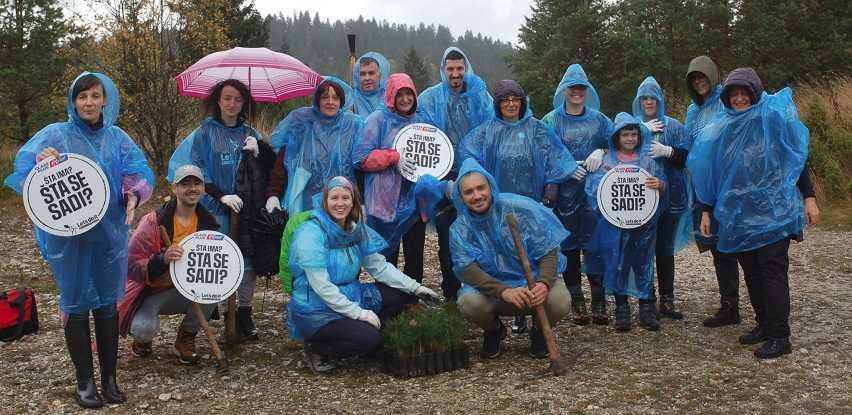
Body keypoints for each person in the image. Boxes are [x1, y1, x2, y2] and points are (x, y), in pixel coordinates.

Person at [4, 72, 154, 408]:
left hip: (108, 236)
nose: (88, 102)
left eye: (95, 95)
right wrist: (41, 164)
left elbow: (139, 172)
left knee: (105, 303)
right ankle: (84, 381)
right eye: (82, 96)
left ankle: (110, 378)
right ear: (73, 102)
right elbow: (24, 167)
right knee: (75, 302)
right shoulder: (55, 134)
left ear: (105, 99)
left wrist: (134, 194)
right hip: (68, 238)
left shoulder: (117, 138)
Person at [683, 57, 821, 328]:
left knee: (772, 271)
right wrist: (707, 210)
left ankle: (779, 334)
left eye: (744, 93)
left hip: (774, 212)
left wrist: (809, 198)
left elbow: (795, 161)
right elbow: (711, 172)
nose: (739, 99)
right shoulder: (725, 128)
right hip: (739, 216)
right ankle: (763, 325)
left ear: (754, 92)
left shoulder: (771, 119)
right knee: (752, 272)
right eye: (733, 94)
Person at [287, 177, 439, 372]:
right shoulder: (311, 233)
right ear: (325, 201)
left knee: (402, 295)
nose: (340, 203)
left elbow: (379, 268)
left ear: (353, 201)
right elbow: (322, 286)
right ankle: (318, 348)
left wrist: (416, 287)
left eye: (345, 197)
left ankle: (363, 337)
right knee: (370, 339)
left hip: (350, 293)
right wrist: (359, 313)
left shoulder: (354, 229)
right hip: (316, 307)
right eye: (334, 198)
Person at [167, 79, 264, 342]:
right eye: (227, 98)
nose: (232, 104)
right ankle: (223, 313)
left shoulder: (250, 133)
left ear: (244, 103)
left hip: (246, 208)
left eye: (238, 99)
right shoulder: (205, 133)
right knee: (220, 260)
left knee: (247, 261)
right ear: (218, 101)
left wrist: (260, 152)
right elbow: (198, 170)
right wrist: (222, 195)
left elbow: (267, 170)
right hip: (215, 208)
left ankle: (244, 312)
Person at [450, 159, 572, 359]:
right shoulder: (460, 228)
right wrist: (503, 291)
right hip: (496, 291)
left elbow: (548, 250)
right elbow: (467, 269)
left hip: (532, 285)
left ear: (490, 187)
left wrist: (543, 282)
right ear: (460, 198)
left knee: (560, 301)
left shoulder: (520, 209)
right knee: (468, 303)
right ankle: (494, 330)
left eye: (481, 188)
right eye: (469, 192)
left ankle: (540, 331)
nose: (477, 195)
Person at [117, 165, 217, 365]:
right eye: (185, 184)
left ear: (203, 188)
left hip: (188, 290)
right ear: (174, 188)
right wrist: (161, 260)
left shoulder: (209, 224)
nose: (192, 188)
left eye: (197, 183)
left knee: (212, 292)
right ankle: (142, 340)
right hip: (154, 291)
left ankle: (186, 338)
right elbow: (131, 265)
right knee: (143, 328)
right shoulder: (153, 222)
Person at [418, 46, 494, 301]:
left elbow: (491, 131)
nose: (455, 73)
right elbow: (421, 137)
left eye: (459, 68)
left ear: (466, 68)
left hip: (474, 178)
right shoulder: (430, 98)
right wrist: (443, 183)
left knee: (480, 239)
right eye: (450, 69)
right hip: (443, 183)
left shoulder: (480, 96)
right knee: (448, 241)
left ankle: (482, 294)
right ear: (443, 70)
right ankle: (452, 297)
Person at [542, 63, 613, 326]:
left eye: (581, 88)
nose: (577, 92)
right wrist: (566, 169)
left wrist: (602, 152)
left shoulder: (599, 120)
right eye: (573, 87)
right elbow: (544, 153)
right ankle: (577, 299)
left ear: (587, 90)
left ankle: (598, 298)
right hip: (564, 195)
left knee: (595, 246)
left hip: (594, 195)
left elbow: (619, 143)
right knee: (569, 247)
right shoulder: (551, 120)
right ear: (564, 90)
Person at [585, 113, 666, 332]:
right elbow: (594, 193)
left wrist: (660, 184)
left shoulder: (648, 160)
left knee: (643, 263)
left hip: (644, 225)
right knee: (618, 263)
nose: (630, 138)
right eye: (625, 134)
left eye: (633, 134)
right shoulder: (607, 161)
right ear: (616, 137)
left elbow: (662, 187)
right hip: (615, 226)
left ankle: (646, 306)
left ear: (639, 137)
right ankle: (621, 308)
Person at [352, 73, 431, 282]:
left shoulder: (420, 122)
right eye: (400, 94)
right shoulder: (376, 120)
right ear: (391, 96)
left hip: (415, 198)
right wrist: (392, 157)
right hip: (385, 199)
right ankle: (388, 297)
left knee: (415, 250)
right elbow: (360, 158)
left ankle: (413, 298)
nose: (405, 99)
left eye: (409, 94)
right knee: (388, 253)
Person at [631, 76, 690, 320]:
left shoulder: (673, 127)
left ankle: (667, 299)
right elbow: (619, 153)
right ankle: (648, 299)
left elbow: (687, 156)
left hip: (671, 196)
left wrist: (669, 151)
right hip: (641, 199)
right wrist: (643, 133)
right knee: (643, 248)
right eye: (644, 98)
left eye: (652, 98)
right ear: (638, 101)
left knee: (665, 249)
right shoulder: (631, 126)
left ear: (660, 100)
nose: (648, 102)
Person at [266, 76, 363, 215]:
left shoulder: (352, 126)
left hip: (342, 203)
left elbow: (360, 166)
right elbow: (284, 161)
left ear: (342, 101)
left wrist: (362, 203)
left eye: (335, 98)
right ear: (317, 100)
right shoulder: (302, 123)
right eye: (325, 97)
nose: (330, 102)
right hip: (306, 203)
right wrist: (273, 194)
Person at [351, 52, 391, 117]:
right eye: (363, 74)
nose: (367, 78)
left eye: (371, 73)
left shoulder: (389, 99)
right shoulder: (351, 101)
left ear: (380, 75)